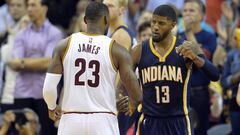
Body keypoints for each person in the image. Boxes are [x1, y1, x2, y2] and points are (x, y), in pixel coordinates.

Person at [42, 2, 142, 135]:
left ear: (84, 20)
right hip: (103, 120)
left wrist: (51, 107)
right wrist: (130, 104)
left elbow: (48, 88)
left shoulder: (64, 45)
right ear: (106, 20)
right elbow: (136, 94)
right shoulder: (117, 50)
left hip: (71, 120)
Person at [131, 5, 219, 135]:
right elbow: (125, 75)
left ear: (173, 25)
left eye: (161, 23)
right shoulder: (139, 50)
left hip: (178, 121)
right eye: (153, 22)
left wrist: (195, 58)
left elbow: (215, 75)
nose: (155, 27)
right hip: (149, 120)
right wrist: (129, 97)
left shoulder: (186, 47)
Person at [7, 0, 63, 134]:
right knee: (20, 131)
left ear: (44, 8)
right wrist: (40, 62)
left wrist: (24, 63)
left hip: (45, 93)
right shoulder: (21, 34)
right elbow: (14, 63)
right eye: (28, 6)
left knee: (47, 132)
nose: (29, 9)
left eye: (33, 5)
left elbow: (50, 63)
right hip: (22, 92)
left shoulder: (55, 33)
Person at [178, 1, 218, 134]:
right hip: (181, 94)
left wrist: (189, 33)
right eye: (185, 10)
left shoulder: (209, 37)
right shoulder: (177, 37)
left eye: (192, 10)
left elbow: (202, 60)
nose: (187, 13)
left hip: (200, 94)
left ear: (202, 16)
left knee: (200, 131)